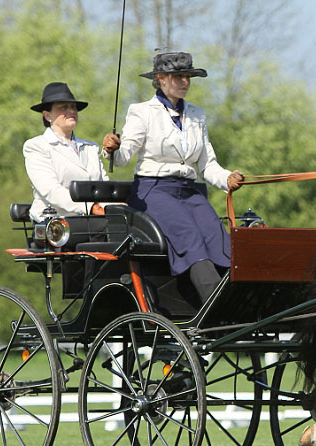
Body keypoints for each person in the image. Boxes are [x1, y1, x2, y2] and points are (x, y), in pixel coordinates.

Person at [102, 51, 244, 304]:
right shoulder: (142, 112)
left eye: (188, 76)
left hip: (189, 191)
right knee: (190, 237)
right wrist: (112, 148)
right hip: (153, 191)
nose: (185, 82)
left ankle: (237, 302)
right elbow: (123, 156)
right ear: (161, 78)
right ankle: (215, 306)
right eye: (178, 76)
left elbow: (207, 164)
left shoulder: (197, 115)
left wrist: (227, 179)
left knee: (219, 238)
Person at [24, 82, 108, 222]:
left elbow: (103, 186)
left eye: (73, 107)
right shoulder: (36, 146)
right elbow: (51, 191)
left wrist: (116, 206)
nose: (71, 111)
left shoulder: (90, 148)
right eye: (63, 108)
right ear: (47, 115)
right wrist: (90, 207)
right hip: (56, 223)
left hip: (95, 220)